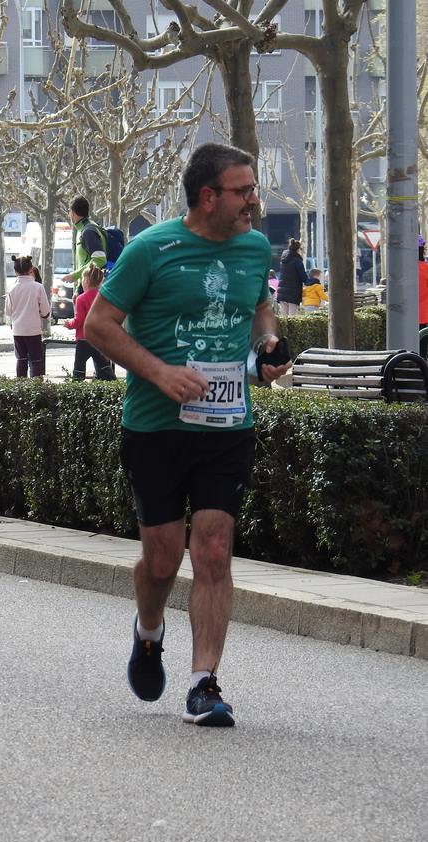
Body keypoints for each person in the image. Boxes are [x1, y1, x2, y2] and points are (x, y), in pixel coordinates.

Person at [85, 142, 291, 728]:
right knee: (161, 559)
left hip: (228, 425)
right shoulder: (152, 249)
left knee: (215, 548)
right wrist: (160, 373)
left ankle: (204, 684)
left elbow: (260, 306)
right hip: (155, 426)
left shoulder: (253, 247)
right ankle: (149, 633)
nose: (255, 199)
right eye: (244, 190)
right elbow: (99, 324)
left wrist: (266, 346)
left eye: (253, 188)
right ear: (208, 197)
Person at [65, 259, 116, 381]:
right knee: (104, 366)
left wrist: (69, 324)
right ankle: (114, 387)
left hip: (84, 339)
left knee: (79, 367)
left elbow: (79, 320)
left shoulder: (81, 298)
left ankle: (76, 390)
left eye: (82, 280)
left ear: (86, 281)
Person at [5, 255, 50, 378]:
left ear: (15, 272)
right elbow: (45, 311)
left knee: (21, 359)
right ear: (31, 269)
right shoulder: (38, 287)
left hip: (18, 330)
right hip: (33, 330)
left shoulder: (12, 288)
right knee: (36, 360)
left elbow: (8, 311)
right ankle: (36, 389)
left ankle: (21, 387)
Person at [63, 196, 106, 285]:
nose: (69, 215)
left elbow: (100, 260)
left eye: (69, 211)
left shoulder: (88, 231)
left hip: (91, 286)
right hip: (86, 285)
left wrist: (75, 275)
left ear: (73, 212)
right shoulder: (86, 228)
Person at [276, 237, 306, 316]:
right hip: (293, 293)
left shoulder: (283, 260)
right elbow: (304, 278)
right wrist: (314, 281)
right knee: (292, 318)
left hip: (282, 293)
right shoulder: (297, 261)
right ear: (298, 250)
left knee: (284, 318)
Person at [418, 237, 428, 358]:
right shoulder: (425, 268)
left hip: (403, 316)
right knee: (422, 350)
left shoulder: (400, 269)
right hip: (423, 315)